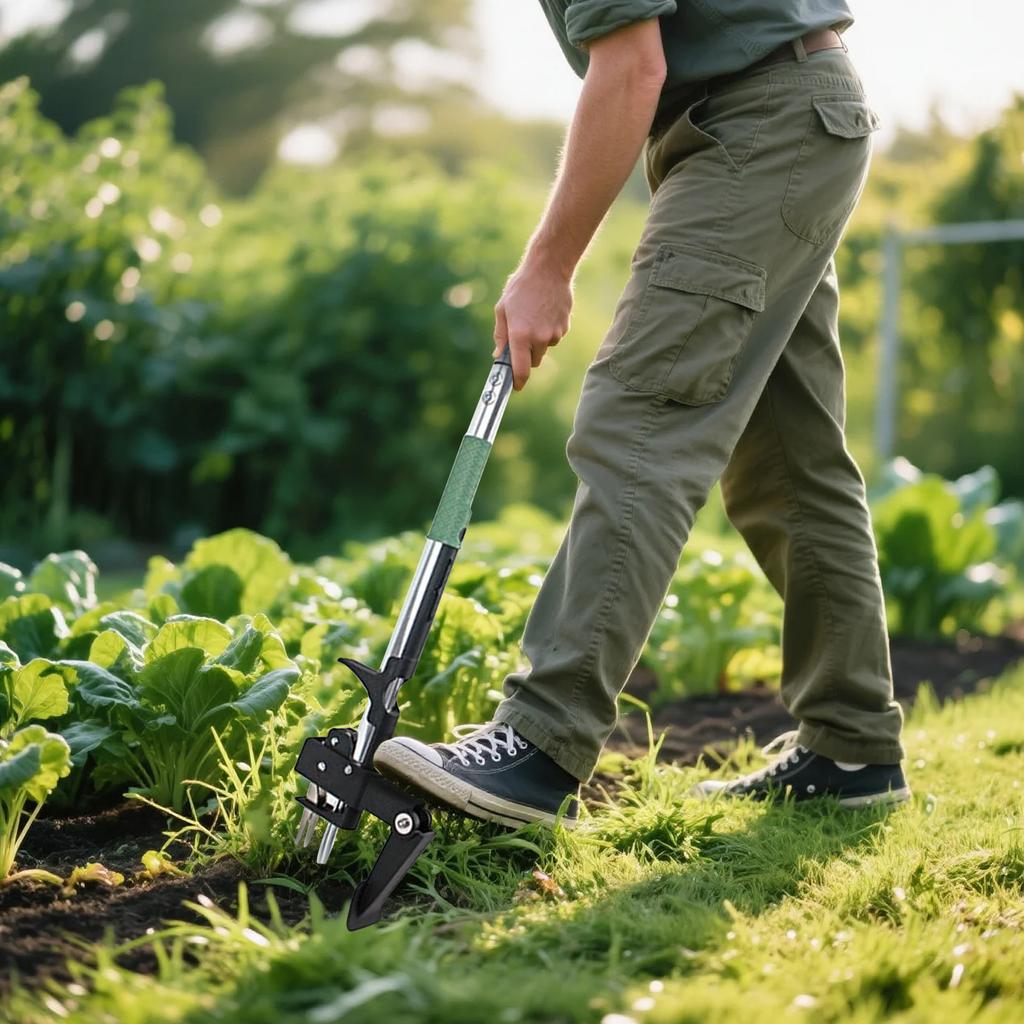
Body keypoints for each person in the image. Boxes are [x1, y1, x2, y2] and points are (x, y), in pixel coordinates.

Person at [374, 1, 910, 827]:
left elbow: (631, 67)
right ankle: (852, 747)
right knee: (789, 458)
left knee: (638, 422)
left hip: (759, 122)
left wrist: (547, 266)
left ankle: (540, 744)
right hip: (793, 113)